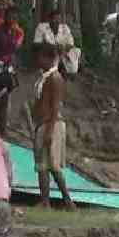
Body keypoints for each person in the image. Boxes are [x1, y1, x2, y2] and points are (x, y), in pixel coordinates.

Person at [31, 43, 76, 211]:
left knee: (53, 166)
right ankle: (45, 201)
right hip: (43, 123)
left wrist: (49, 131)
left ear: (48, 58)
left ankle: (68, 201)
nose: (37, 60)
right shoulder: (43, 77)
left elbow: (55, 106)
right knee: (42, 165)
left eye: (40, 56)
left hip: (52, 124)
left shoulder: (55, 78)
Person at [0, 7, 24, 137]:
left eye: (15, 17)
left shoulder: (14, 33)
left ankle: (2, 129)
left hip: (8, 68)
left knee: (5, 99)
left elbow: (13, 53)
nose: (12, 19)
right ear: (5, 16)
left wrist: (14, 70)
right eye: (10, 16)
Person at [34, 8, 80, 77]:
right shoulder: (41, 27)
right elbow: (36, 44)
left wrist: (63, 48)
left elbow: (71, 43)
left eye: (58, 19)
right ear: (49, 20)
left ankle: (68, 71)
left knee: (76, 51)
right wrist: (51, 47)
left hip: (63, 54)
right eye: (54, 19)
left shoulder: (65, 28)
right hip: (48, 54)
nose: (56, 21)